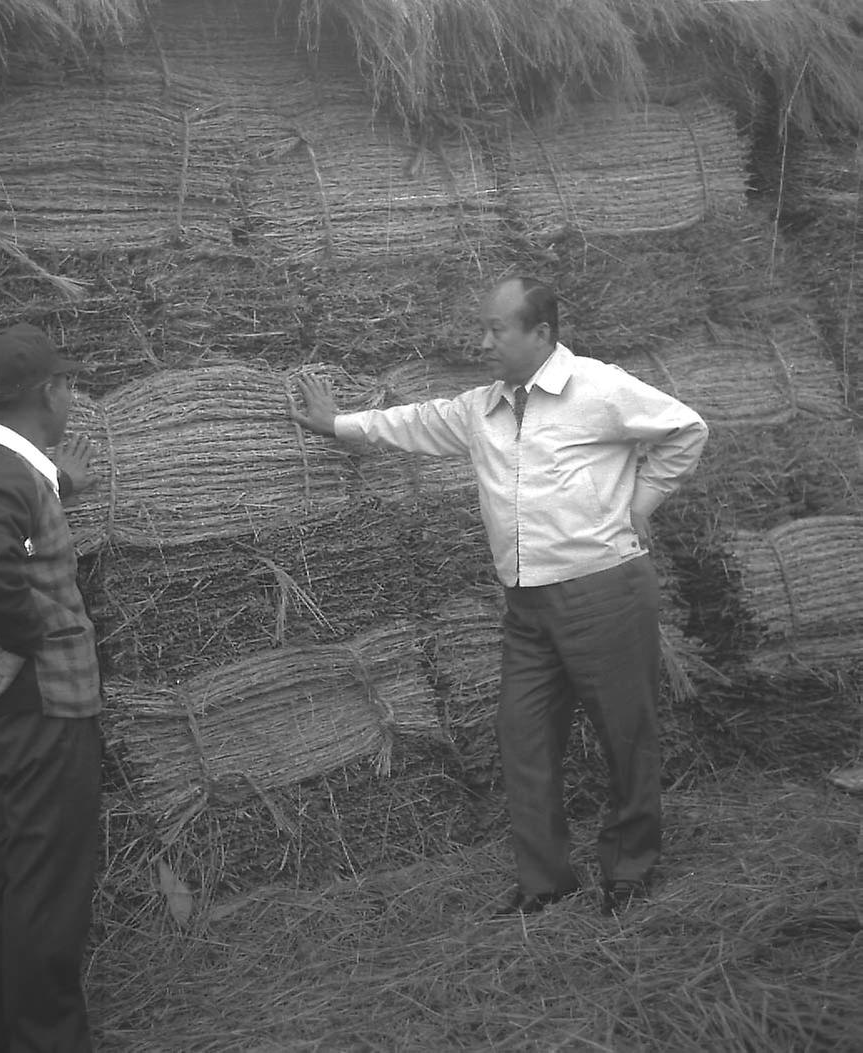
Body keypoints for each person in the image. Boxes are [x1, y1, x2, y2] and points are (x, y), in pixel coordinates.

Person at [291, 277, 709, 917]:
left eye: (497, 330)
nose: (482, 342)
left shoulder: (598, 388)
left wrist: (641, 503)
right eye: (482, 329)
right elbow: (413, 422)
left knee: (627, 735)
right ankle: (545, 880)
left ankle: (629, 867)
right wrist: (338, 424)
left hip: (605, 592)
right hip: (526, 605)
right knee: (523, 736)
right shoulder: (482, 408)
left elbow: (686, 429)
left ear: (541, 333)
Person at [0, 322, 103, 1051]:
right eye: (68, 384)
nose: (74, 395)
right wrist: (23, 640)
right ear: (48, 392)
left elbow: (13, 539)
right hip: (45, 712)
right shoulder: (6, 477)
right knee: (48, 892)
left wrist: (59, 482)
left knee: (5, 877)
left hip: (5, 717)